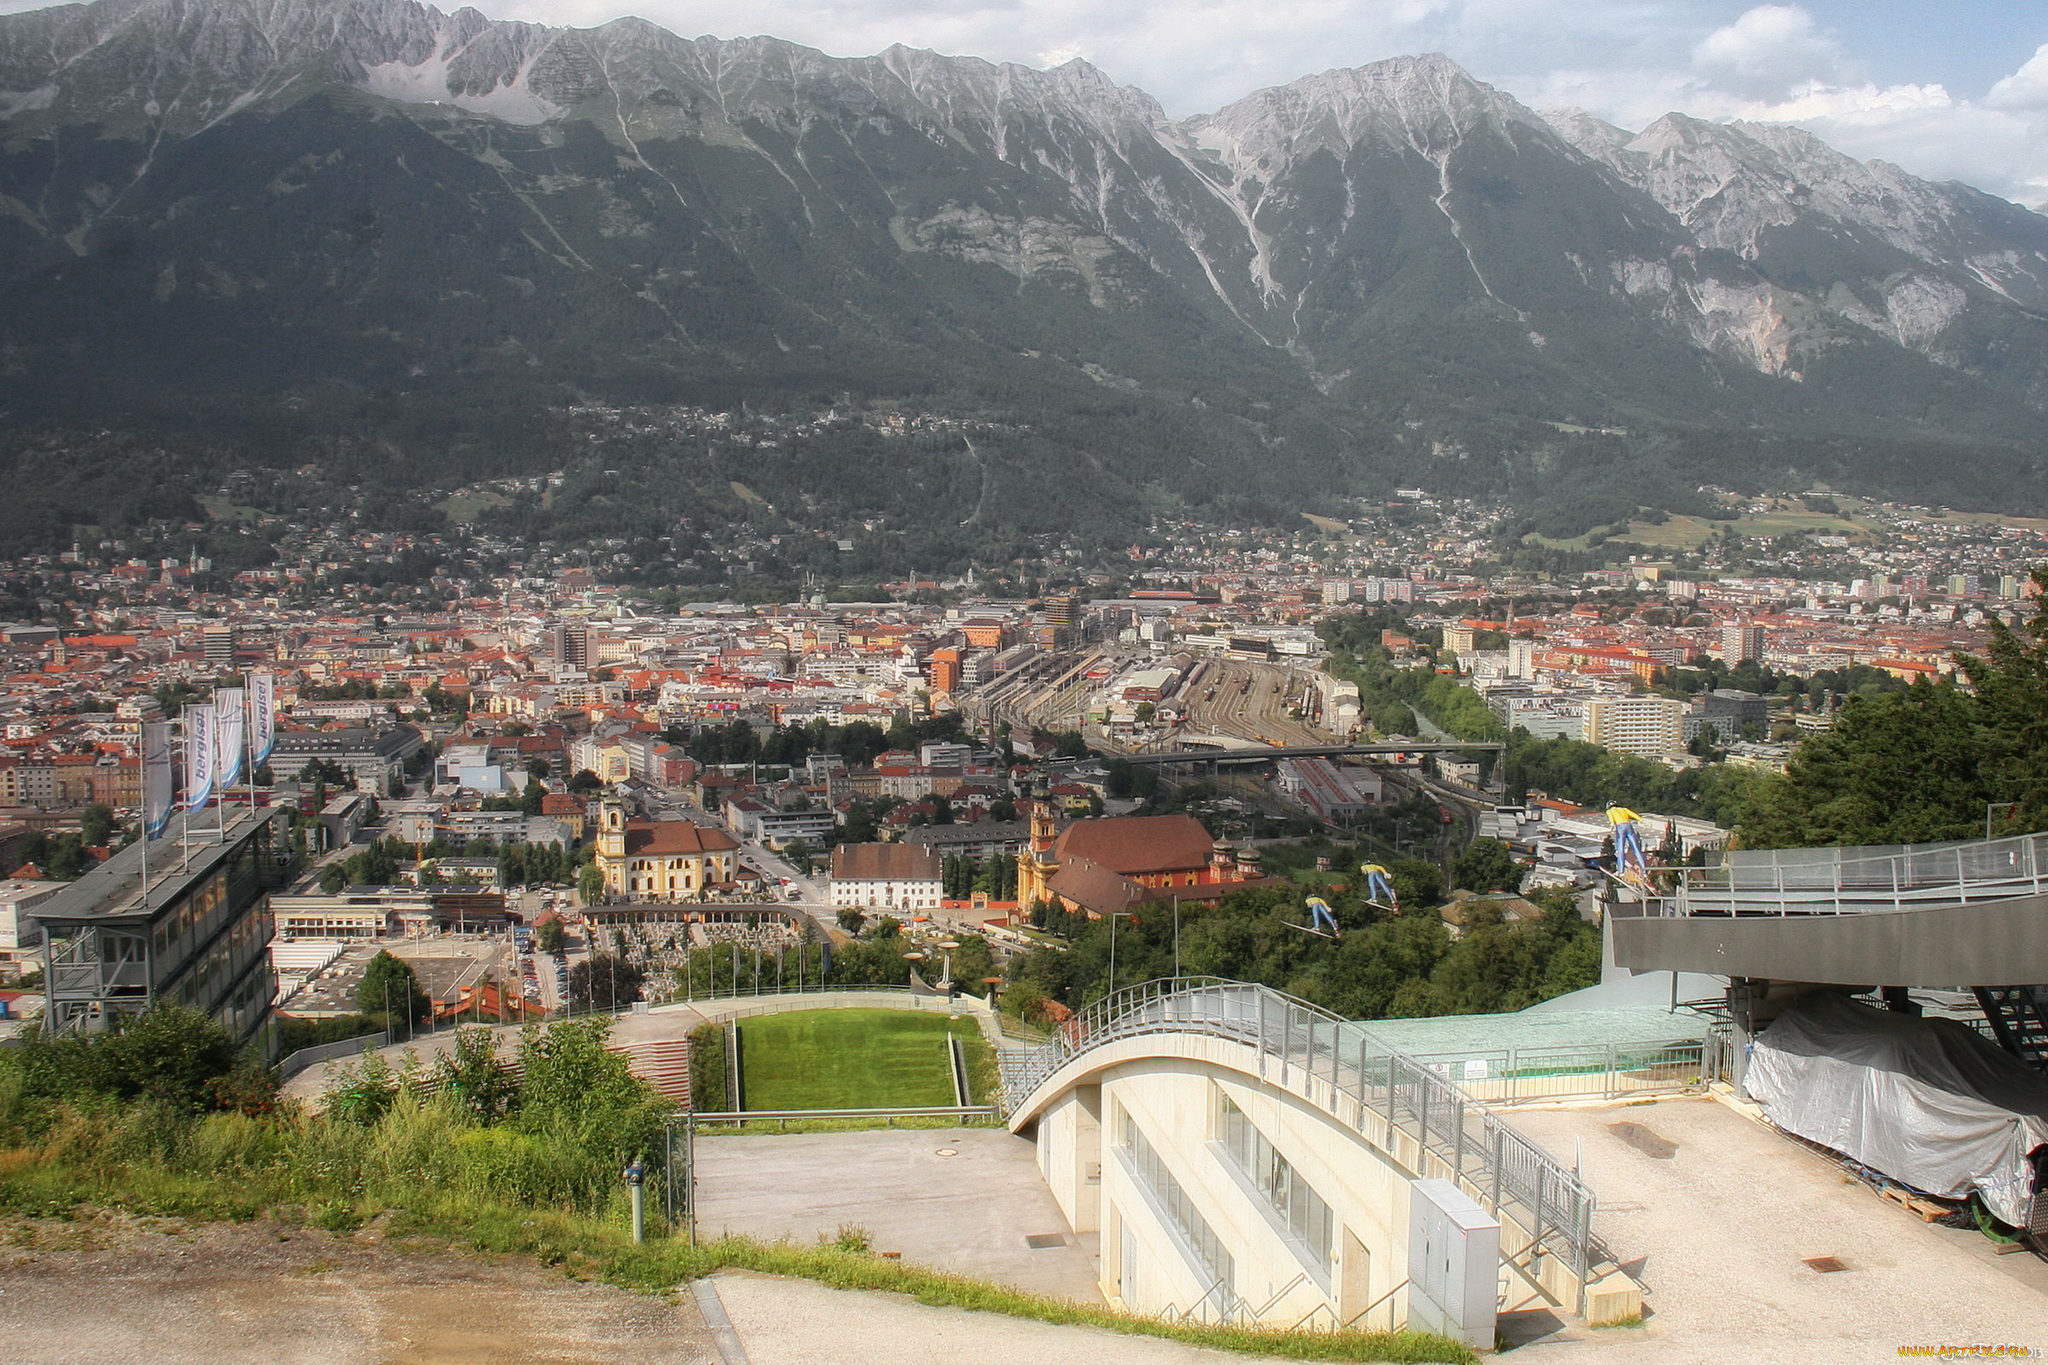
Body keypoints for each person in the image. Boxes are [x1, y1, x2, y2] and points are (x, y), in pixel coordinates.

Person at [1607, 806, 1648, 878]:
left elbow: (1611, 818)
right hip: (1628, 825)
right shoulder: (1623, 809)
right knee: (1636, 849)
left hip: (1620, 827)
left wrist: (1612, 824)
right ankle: (1644, 871)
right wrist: (1642, 820)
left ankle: (1621, 871)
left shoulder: (1610, 811)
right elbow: (1634, 815)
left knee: (1621, 849)